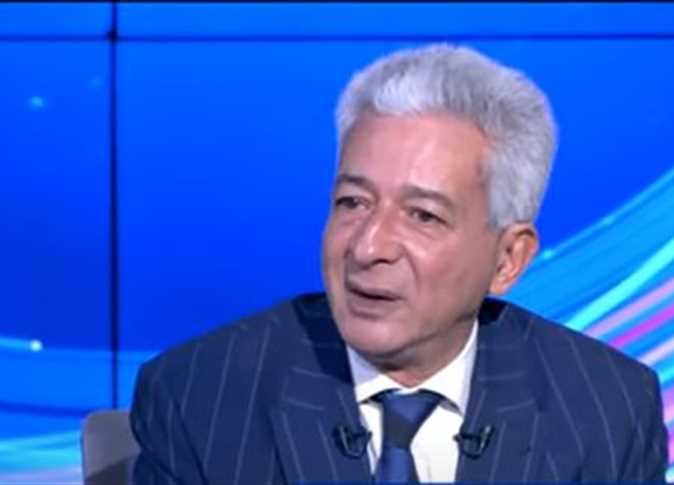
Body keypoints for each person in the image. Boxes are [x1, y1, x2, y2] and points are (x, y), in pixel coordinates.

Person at [130, 44, 668, 483]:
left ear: (508, 259)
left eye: (423, 216)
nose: (368, 248)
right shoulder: (200, 395)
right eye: (353, 203)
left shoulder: (608, 408)